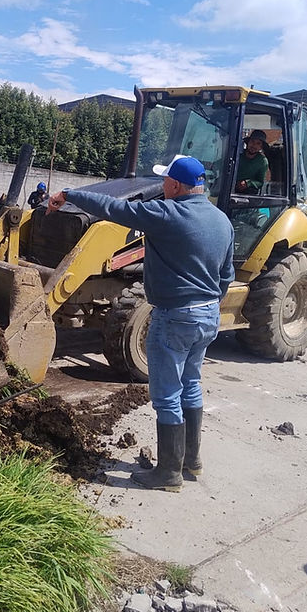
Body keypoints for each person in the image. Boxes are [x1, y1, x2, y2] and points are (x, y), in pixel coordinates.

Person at [47, 155, 234, 492]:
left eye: (165, 181)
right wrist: (207, 303)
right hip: (208, 315)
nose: (161, 185)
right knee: (190, 383)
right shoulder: (222, 221)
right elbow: (226, 276)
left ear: (175, 185)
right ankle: (191, 461)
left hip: (175, 315)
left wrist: (69, 194)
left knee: (166, 396)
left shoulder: (166, 214)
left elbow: (113, 209)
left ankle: (168, 474)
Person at [235, 129, 269, 194]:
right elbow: (222, 164)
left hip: (247, 195)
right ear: (248, 142)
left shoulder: (263, 161)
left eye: (258, 143)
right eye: (252, 141)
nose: (254, 145)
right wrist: (211, 165)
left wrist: (247, 183)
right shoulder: (237, 155)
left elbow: (260, 182)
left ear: (261, 147)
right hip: (228, 189)